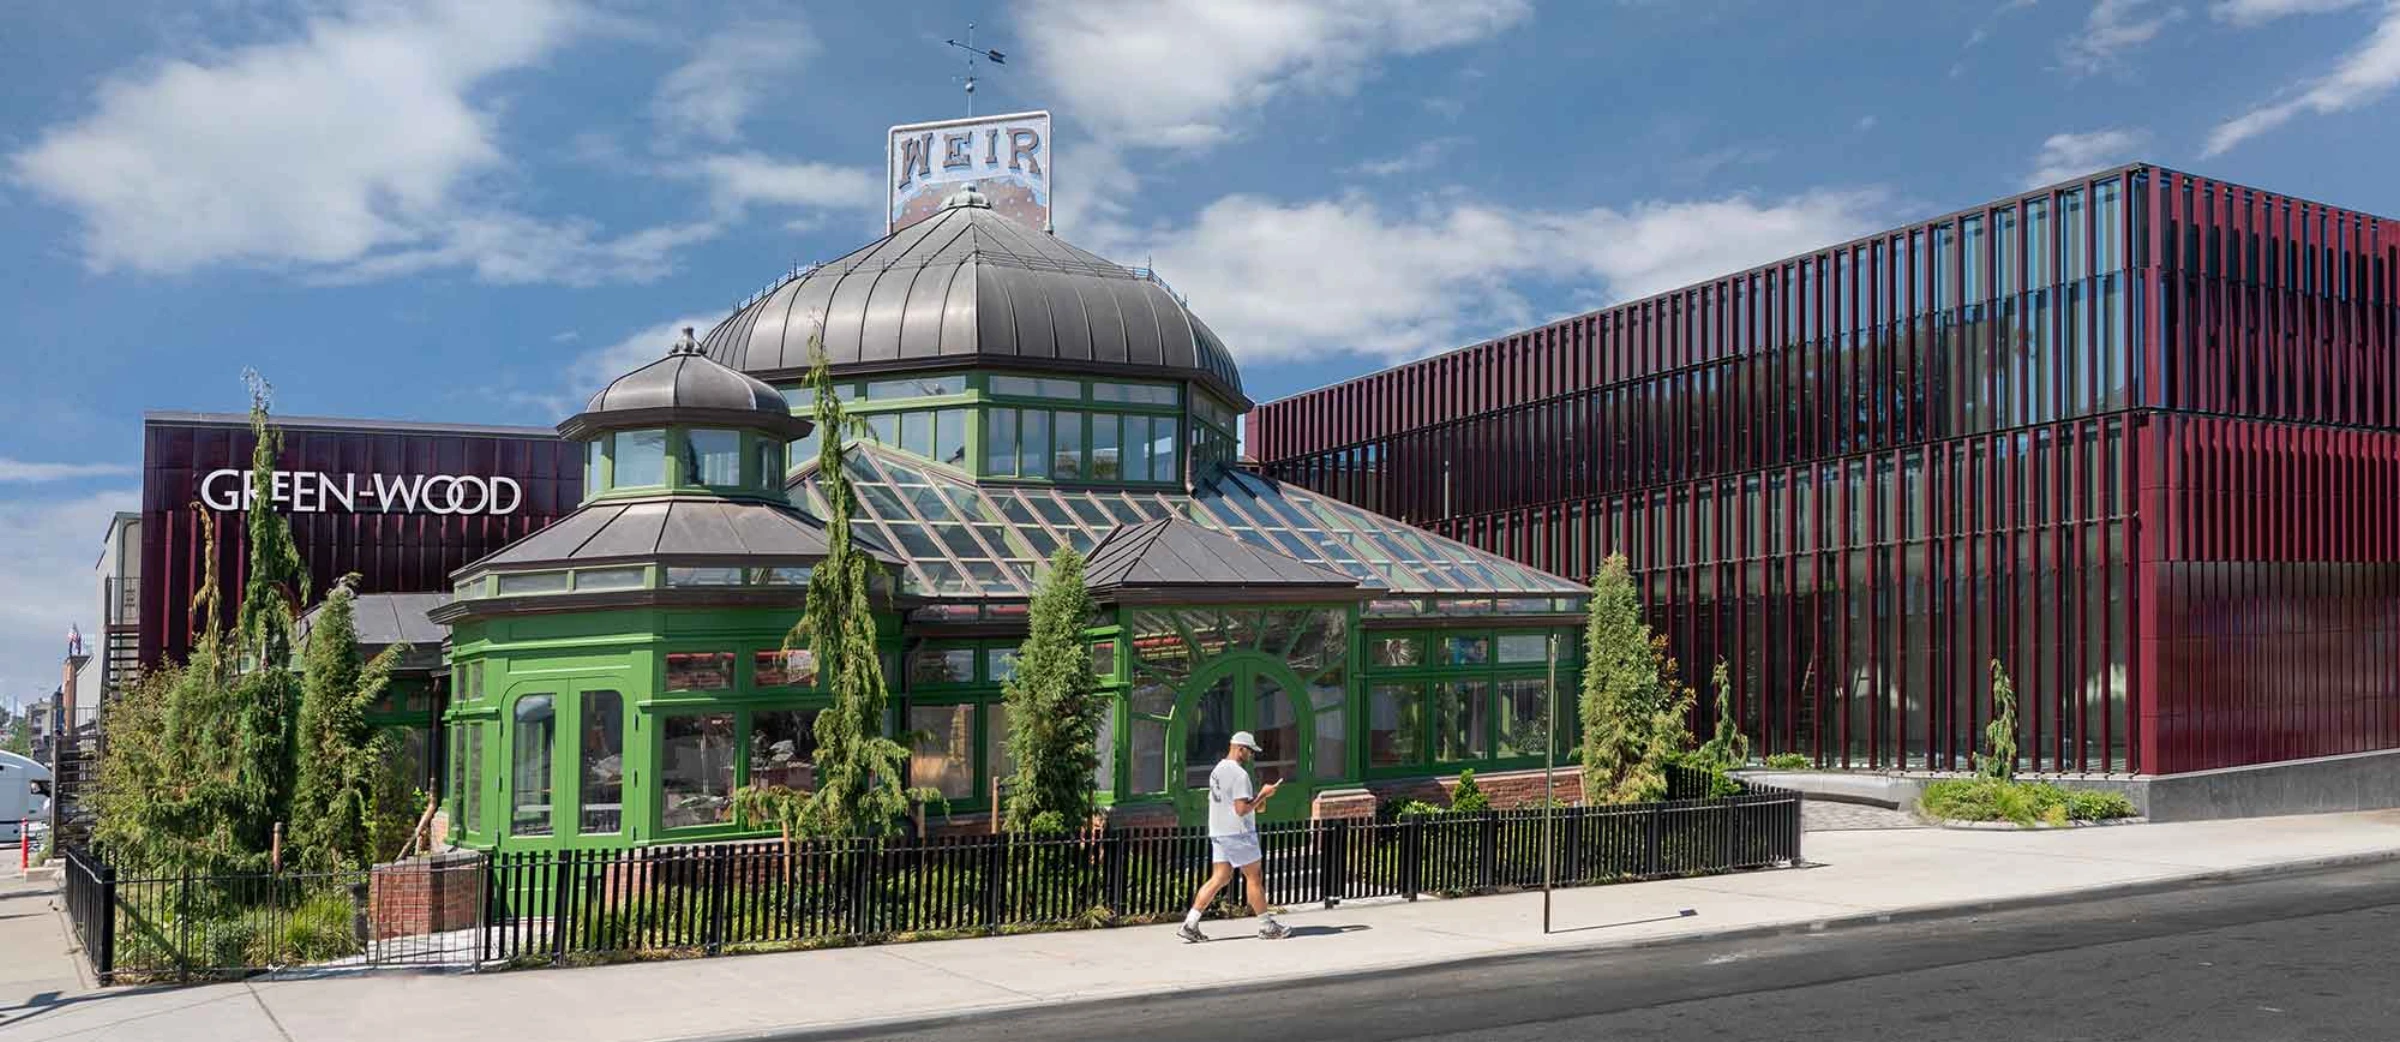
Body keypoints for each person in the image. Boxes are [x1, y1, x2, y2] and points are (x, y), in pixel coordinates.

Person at [1180, 731, 1287, 942]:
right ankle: (1266, 926)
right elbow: (1241, 809)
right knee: (1254, 877)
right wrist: (1264, 795)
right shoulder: (1240, 775)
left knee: (1220, 877)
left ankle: (1190, 923)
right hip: (1238, 833)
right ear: (1240, 749)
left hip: (1219, 830)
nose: (1250, 755)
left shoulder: (1217, 770)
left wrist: (1257, 799)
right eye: (1249, 751)